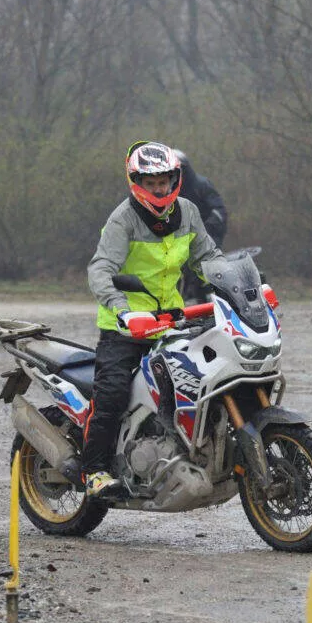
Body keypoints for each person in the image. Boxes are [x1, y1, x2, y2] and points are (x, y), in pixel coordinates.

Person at [83, 141, 223, 497]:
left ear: (175, 179)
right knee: (112, 393)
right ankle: (95, 471)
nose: (159, 189)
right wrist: (123, 310)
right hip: (125, 327)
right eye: (151, 182)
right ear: (136, 182)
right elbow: (101, 268)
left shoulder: (188, 212)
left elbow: (207, 257)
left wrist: (237, 286)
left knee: (201, 381)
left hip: (171, 323)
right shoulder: (123, 219)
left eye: (164, 181)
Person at [171, 149, 227, 302]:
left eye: (179, 169)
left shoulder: (201, 185)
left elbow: (219, 211)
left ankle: (213, 301)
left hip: (207, 235)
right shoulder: (168, 190)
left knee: (204, 275)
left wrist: (206, 230)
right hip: (180, 240)